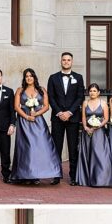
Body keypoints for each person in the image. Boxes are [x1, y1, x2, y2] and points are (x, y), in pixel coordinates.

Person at [9, 69, 62, 185]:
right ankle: (25, 175)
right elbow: (16, 107)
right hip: (24, 122)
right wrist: (26, 117)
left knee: (40, 147)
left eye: (31, 76)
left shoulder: (42, 90)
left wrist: (36, 114)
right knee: (26, 148)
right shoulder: (20, 90)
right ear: (24, 78)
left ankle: (38, 174)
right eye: (26, 76)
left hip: (38, 122)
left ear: (34, 77)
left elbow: (46, 106)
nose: (29, 78)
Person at [46, 51, 84, 185]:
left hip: (73, 118)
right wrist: (60, 112)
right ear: (60, 61)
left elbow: (80, 97)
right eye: (64, 60)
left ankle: (73, 176)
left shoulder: (78, 78)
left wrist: (69, 112)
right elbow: (50, 97)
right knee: (56, 147)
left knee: (73, 147)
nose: (66, 62)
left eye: (68, 60)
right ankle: (56, 175)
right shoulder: (53, 78)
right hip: (57, 118)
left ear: (72, 62)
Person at [76, 83, 112, 188]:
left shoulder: (103, 103)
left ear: (98, 93)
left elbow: (106, 118)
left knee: (99, 154)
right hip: (87, 132)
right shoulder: (85, 103)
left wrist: (98, 126)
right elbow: (83, 117)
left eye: (94, 91)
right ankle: (87, 179)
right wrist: (86, 127)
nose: (92, 93)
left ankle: (100, 179)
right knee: (88, 154)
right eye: (91, 91)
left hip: (99, 132)